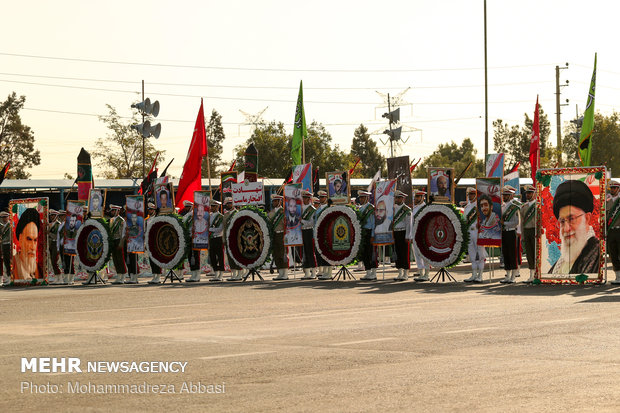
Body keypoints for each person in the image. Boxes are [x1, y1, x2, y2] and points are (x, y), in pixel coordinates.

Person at [549, 179, 600, 274]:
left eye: (571, 219)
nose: (566, 228)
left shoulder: (596, 253)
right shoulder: (562, 261)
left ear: (587, 218)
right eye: (562, 221)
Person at [12, 208, 43, 281]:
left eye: (35, 240)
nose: (32, 247)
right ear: (20, 238)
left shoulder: (39, 268)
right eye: (29, 239)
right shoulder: (13, 264)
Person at [463, 188, 487, 283]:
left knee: (480, 253)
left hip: (478, 232)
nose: (470, 196)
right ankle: (473, 274)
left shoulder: (480, 206)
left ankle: (480, 275)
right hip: (469, 231)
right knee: (472, 253)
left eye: (472, 194)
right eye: (469, 194)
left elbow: (485, 219)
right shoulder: (467, 207)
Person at [500, 186, 521, 283]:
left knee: (513, 254)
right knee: (506, 254)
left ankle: (513, 276)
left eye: (506, 195)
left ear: (510, 195)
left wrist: (505, 223)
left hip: (511, 231)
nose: (504, 197)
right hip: (504, 232)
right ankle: (507, 276)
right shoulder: (502, 206)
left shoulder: (514, 206)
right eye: (504, 195)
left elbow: (516, 222)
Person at [412, 190, 433, 282]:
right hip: (414, 233)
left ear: (422, 197)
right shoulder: (414, 207)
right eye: (415, 197)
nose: (416, 198)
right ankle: (421, 273)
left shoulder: (425, 207)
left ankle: (427, 273)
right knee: (417, 254)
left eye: (418, 197)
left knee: (424, 253)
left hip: (422, 233)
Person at [357, 190, 378, 281]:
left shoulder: (370, 208)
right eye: (360, 197)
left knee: (371, 253)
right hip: (364, 232)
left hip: (370, 232)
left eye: (362, 197)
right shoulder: (361, 209)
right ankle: (368, 272)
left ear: (367, 198)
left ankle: (373, 273)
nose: (361, 199)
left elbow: (374, 223)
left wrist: (373, 235)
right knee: (365, 253)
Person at [222, 197, 244, 282]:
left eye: (229, 203)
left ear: (233, 204)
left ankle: (239, 274)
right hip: (228, 238)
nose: (228, 205)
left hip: (236, 238)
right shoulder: (226, 215)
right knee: (230, 257)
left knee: (237, 256)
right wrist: (224, 239)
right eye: (227, 204)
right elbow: (224, 228)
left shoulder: (237, 213)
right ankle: (234, 274)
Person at [520, 185, 537, 283]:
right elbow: (522, 222)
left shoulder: (537, 206)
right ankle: (531, 275)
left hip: (535, 231)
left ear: (534, 194)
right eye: (527, 193)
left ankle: (537, 275)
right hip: (527, 231)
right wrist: (522, 235)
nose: (528, 195)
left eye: (530, 193)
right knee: (529, 254)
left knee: (536, 254)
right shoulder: (524, 207)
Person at [393, 190, 412, 281]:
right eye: (396, 197)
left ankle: (405, 273)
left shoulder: (407, 210)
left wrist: (408, 236)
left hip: (403, 232)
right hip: (395, 232)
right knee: (398, 253)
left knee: (404, 253)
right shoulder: (393, 208)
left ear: (402, 198)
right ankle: (400, 272)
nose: (396, 199)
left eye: (398, 198)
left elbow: (409, 224)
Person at [269, 195, 289, 280]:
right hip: (275, 234)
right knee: (276, 254)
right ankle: (280, 273)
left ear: (279, 202)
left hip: (282, 234)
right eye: (273, 201)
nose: (274, 203)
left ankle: (285, 273)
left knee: (283, 253)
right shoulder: (271, 213)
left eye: (275, 201)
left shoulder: (283, 211)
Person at [314, 190, 333, 280]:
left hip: (327, 233)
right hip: (319, 233)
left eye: (322, 197)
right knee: (322, 253)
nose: (321, 199)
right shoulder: (318, 209)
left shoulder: (329, 208)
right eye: (320, 197)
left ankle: (329, 272)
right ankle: (325, 271)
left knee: (327, 252)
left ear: (326, 198)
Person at [182, 201, 202, 283]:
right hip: (189, 238)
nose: (186, 208)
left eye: (187, 207)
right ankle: (193, 274)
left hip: (195, 238)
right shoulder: (186, 215)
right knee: (190, 256)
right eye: (185, 207)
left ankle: (197, 275)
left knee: (196, 256)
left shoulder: (194, 215)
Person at [299, 190, 317, 279]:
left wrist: (301, 221)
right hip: (301, 231)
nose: (304, 199)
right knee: (304, 252)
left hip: (309, 231)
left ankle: (313, 272)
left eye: (306, 198)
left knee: (310, 251)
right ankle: (306, 272)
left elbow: (312, 223)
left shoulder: (312, 209)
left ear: (309, 199)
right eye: (303, 198)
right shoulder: (300, 208)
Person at [109, 205, 128, 284]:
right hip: (113, 240)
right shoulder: (112, 220)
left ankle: (123, 276)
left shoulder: (121, 220)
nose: (112, 212)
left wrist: (121, 242)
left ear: (117, 211)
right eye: (112, 211)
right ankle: (118, 275)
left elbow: (122, 232)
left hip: (119, 240)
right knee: (115, 259)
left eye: (113, 210)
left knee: (120, 258)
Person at [145, 203, 163, 284]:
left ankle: (158, 276)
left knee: (157, 258)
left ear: (154, 210)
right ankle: (154, 275)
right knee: (151, 259)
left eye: (151, 209)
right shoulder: (147, 220)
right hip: (149, 241)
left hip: (156, 240)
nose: (149, 211)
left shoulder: (158, 218)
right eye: (149, 209)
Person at [607, 181, 620, 284]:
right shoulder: (606, 200)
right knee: (613, 253)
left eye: (614, 188)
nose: (612, 189)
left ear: (618, 189)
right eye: (611, 188)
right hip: (611, 231)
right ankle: (618, 276)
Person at [208, 200, 224, 282]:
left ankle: (221, 275)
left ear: (217, 207)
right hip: (211, 239)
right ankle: (216, 274)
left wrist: (210, 229)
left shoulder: (220, 217)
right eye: (211, 206)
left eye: (213, 206)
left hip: (218, 238)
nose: (211, 207)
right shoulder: (209, 216)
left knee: (220, 257)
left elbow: (220, 229)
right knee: (212, 257)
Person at [47, 210, 63, 283]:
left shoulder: (58, 224)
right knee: (52, 261)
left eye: (53, 215)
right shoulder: (50, 224)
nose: (51, 216)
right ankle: (57, 277)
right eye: (51, 215)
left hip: (56, 243)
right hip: (51, 243)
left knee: (54, 261)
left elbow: (57, 236)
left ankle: (59, 277)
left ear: (56, 216)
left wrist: (49, 233)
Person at [1, 211, 12, 285]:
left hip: (10, 244)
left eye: (6, 217)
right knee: (5, 261)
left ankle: (10, 277)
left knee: (10, 261)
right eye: (3, 217)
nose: (5, 219)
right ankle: (7, 277)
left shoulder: (11, 225)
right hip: (3, 244)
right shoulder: (1, 225)